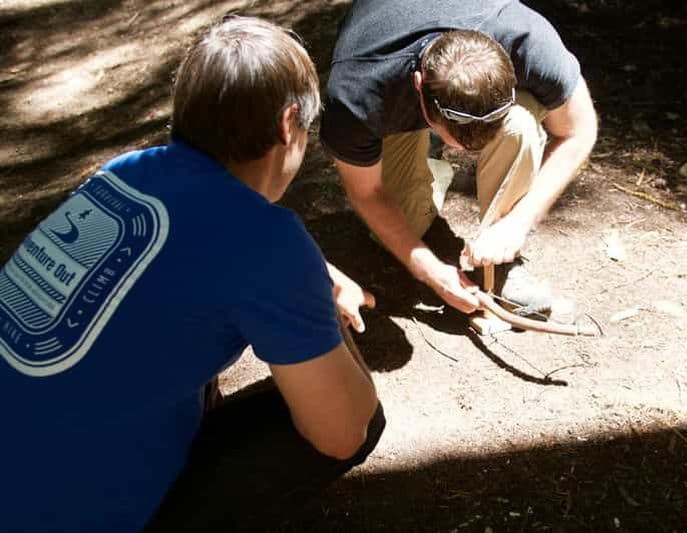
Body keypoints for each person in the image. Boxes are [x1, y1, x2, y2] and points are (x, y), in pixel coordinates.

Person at [0, 16, 383, 533]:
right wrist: (320, 301)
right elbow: (343, 431)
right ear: (289, 124)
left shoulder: (124, 174)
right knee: (363, 415)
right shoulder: (262, 235)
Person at [320, 0, 598, 318]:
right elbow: (366, 193)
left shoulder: (526, 41)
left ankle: (500, 261)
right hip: (390, 84)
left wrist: (518, 223)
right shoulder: (357, 95)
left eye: (487, 133)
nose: (471, 152)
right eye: (460, 140)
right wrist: (432, 272)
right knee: (400, 226)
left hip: (450, 65)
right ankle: (429, 164)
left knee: (519, 126)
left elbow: (580, 130)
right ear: (418, 85)